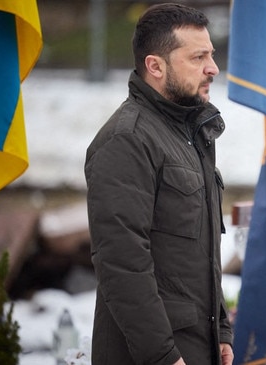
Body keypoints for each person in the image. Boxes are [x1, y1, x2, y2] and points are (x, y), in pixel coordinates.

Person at [84, 3, 233, 364]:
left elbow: (195, 255)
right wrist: (161, 356)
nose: (212, 68)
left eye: (210, 55)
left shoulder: (187, 134)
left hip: (197, 345)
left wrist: (222, 331)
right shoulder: (128, 140)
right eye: (198, 58)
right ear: (155, 66)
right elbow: (122, 264)